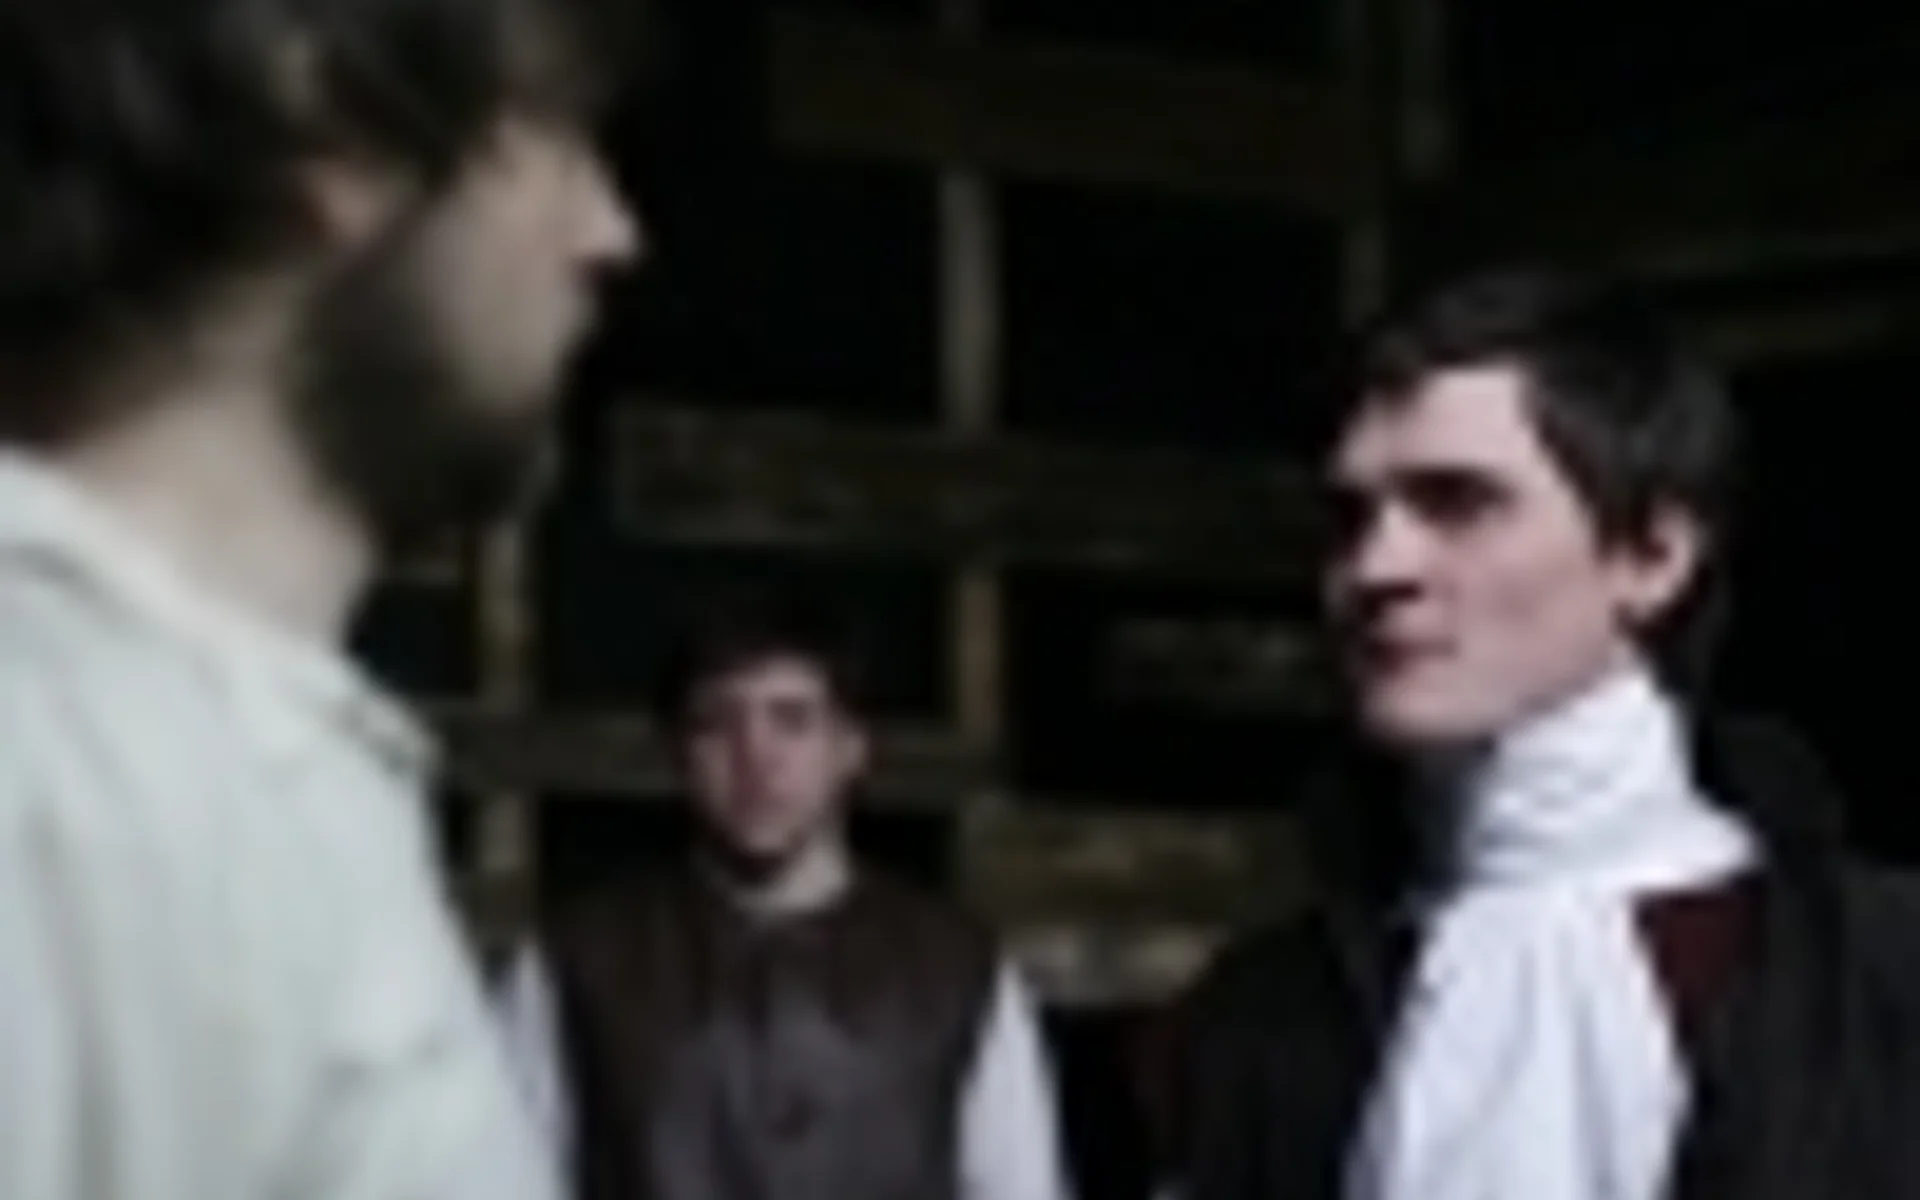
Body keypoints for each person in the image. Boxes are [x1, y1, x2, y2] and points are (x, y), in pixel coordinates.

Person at [0, 1, 640, 1196]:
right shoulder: (44, 750)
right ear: (336, 120)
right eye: (553, 134)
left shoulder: (254, 761)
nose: (612, 231)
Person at [1172, 267, 1920, 1200]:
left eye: (1458, 502)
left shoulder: (1879, 979)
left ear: (1651, 556)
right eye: (1351, 517)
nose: (1376, 566)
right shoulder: (1262, 1018)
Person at [496, 595, 1074, 1200]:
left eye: (792, 720)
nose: (756, 758)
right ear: (678, 754)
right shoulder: (578, 961)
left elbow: (1022, 1188)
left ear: (849, 748)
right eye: (717, 724)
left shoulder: (957, 969)